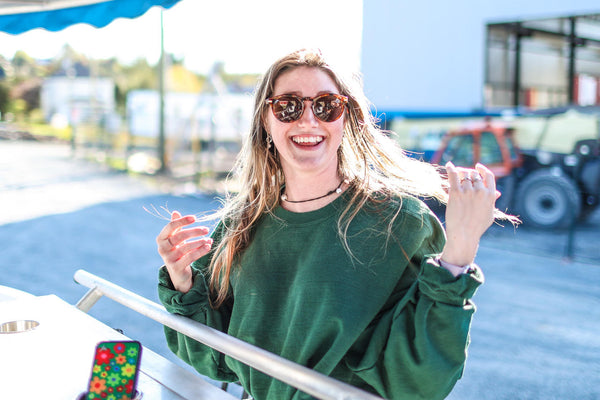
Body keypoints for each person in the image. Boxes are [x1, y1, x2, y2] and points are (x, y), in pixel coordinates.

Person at [156, 48, 517, 400]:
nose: (308, 120)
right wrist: (184, 283)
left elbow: (423, 381)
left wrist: (461, 249)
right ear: (266, 121)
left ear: (348, 118)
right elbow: (213, 357)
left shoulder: (400, 222)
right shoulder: (239, 227)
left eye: (326, 105)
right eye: (288, 106)